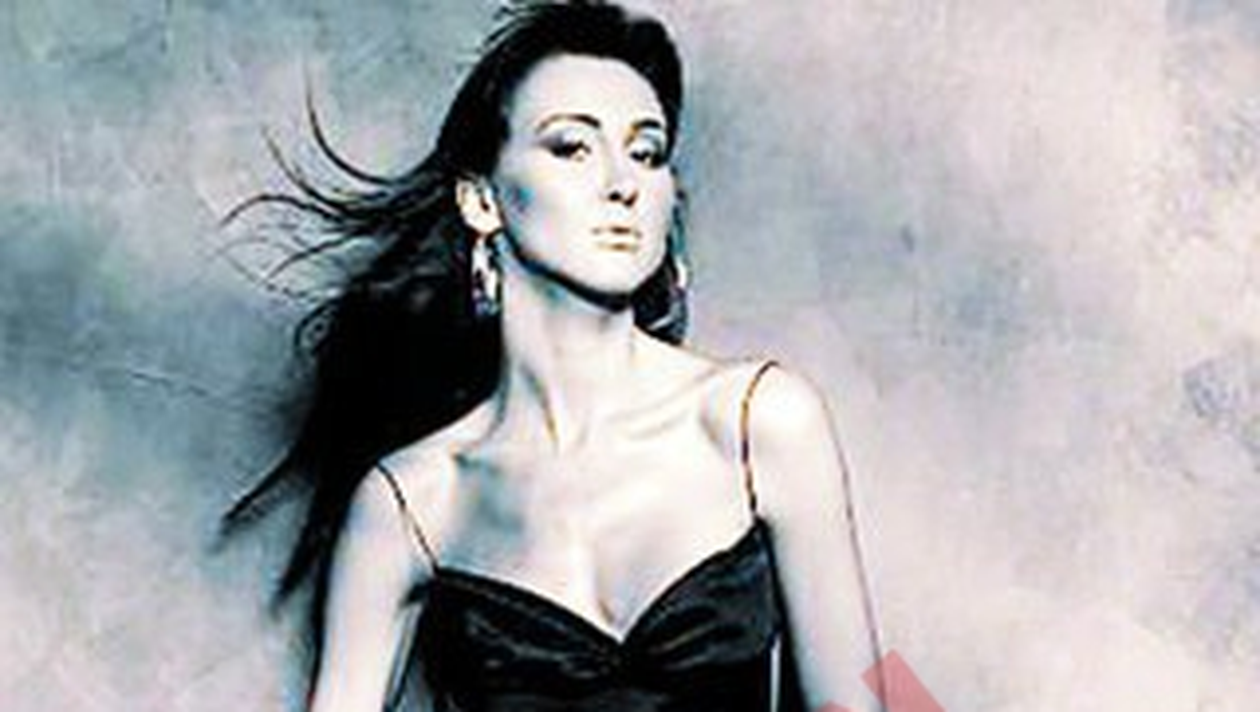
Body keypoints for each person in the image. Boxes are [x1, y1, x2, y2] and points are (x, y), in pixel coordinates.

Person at [224, 2, 885, 710]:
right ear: (482, 201)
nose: (623, 183)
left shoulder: (761, 422)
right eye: (572, 147)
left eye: (647, 152)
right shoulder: (413, 502)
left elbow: (871, 692)